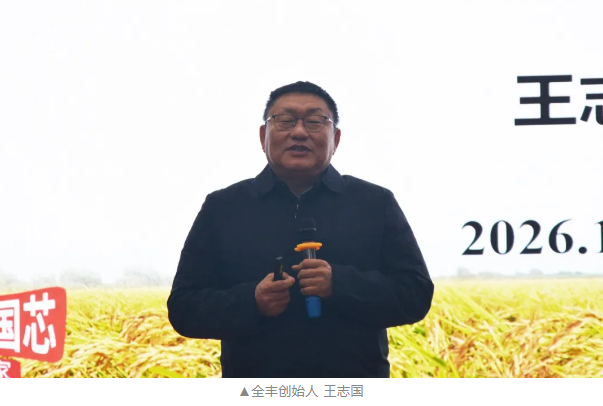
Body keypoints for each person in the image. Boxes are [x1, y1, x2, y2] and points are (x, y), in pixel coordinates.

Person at [167, 81, 434, 378]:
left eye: (315, 121)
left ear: (336, 139)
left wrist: (340, 284)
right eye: (284, 120)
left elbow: (416, 294)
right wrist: (252, 301)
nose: (299, 132)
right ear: (263, 136)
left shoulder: (375, 202)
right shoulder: (223, 207)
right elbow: (183, 308)